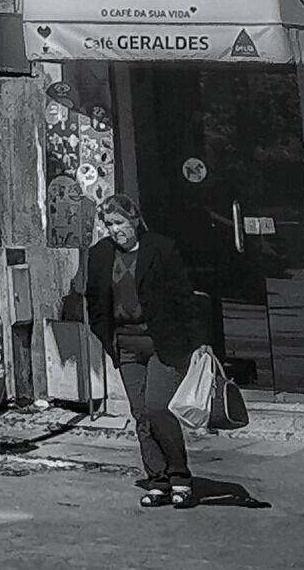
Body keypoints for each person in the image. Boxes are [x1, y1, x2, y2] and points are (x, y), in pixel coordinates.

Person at [68, 194, 208, 508]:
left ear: (134, 220)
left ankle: (180, 477)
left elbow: (183, 296)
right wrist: (107, 338)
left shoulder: (161, 248)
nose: (114, 230)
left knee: (158, 408)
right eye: (109, 224)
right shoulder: (100, 254)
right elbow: (95, 300)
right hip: (126, 345)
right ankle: (158, 481)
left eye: (119, 223)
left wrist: (198, 340)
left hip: (162, 343)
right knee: (141, 414)